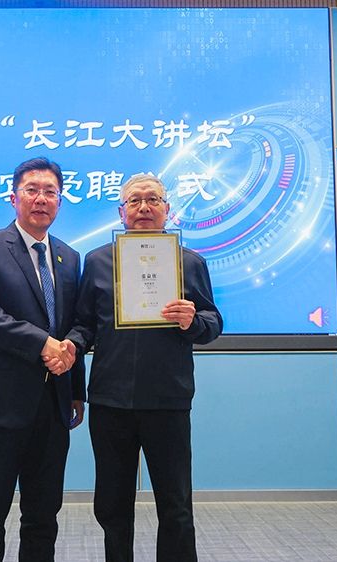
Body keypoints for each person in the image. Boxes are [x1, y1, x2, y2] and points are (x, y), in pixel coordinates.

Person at [66, 174, 222, 562]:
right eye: (134, 201)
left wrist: (193, 321)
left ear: (167, 210)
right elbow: (84, 324)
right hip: (110, 401)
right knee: (112, 506)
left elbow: (213, 322)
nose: (144, 208)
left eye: (153, 200)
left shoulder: (190, 262)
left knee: (176, 505)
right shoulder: (98, 261)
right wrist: (70, 347)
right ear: (121, 212)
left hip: (168, 400)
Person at [0, 157, 85, 562]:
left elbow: (73, 325)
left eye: (50, 192)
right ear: (14, 198)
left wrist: (76, 389)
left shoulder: (69, 257)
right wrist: (41, 343)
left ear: (60, 201)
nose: (41, 199)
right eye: (32, 190)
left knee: (43, 515)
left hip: (53, 405)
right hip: (0, 404)